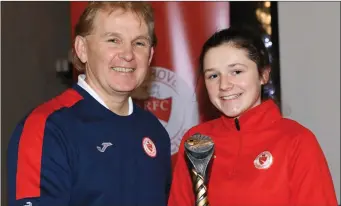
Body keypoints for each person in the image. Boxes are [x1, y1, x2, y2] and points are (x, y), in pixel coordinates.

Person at [7, 2, 171, 206]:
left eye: (139, 43)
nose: (128, 55)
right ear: (82, 49)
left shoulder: (155, 131)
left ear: (150, 55)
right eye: (113, 40)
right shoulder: (47, 128)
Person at [168, 26, 338, 206]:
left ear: (263, 75)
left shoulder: (296, 141)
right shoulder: (196, 142)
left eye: (237, 72)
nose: (224, 85)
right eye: (213, 75)